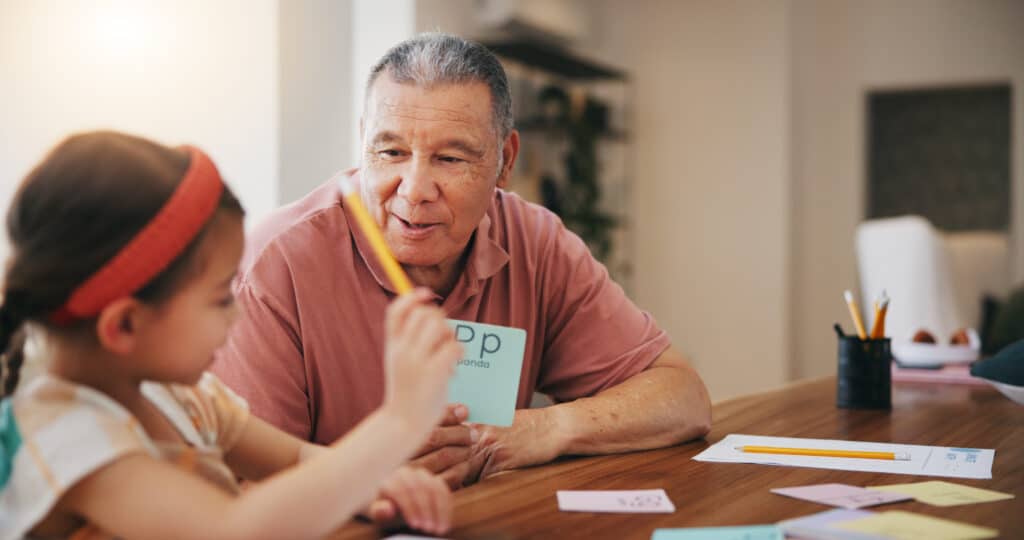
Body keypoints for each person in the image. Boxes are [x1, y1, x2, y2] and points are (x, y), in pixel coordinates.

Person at [213, 33, 712, 490]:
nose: (414, 191)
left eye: (451, 159)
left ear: (505, 161)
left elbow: (681, 397)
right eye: (390, 152)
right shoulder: (274, 265)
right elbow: (248, 490)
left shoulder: (535, 240)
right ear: (363, 143)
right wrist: (370, 477)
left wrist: (540, 428)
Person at [0, 132, 459, 539]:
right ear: (124, 325)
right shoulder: (61, 436)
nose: (237, 314)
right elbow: (231, 529)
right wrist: (399, 420)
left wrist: (369, 482)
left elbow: (298, 459)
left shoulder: (183, 397)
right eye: (221, 298)